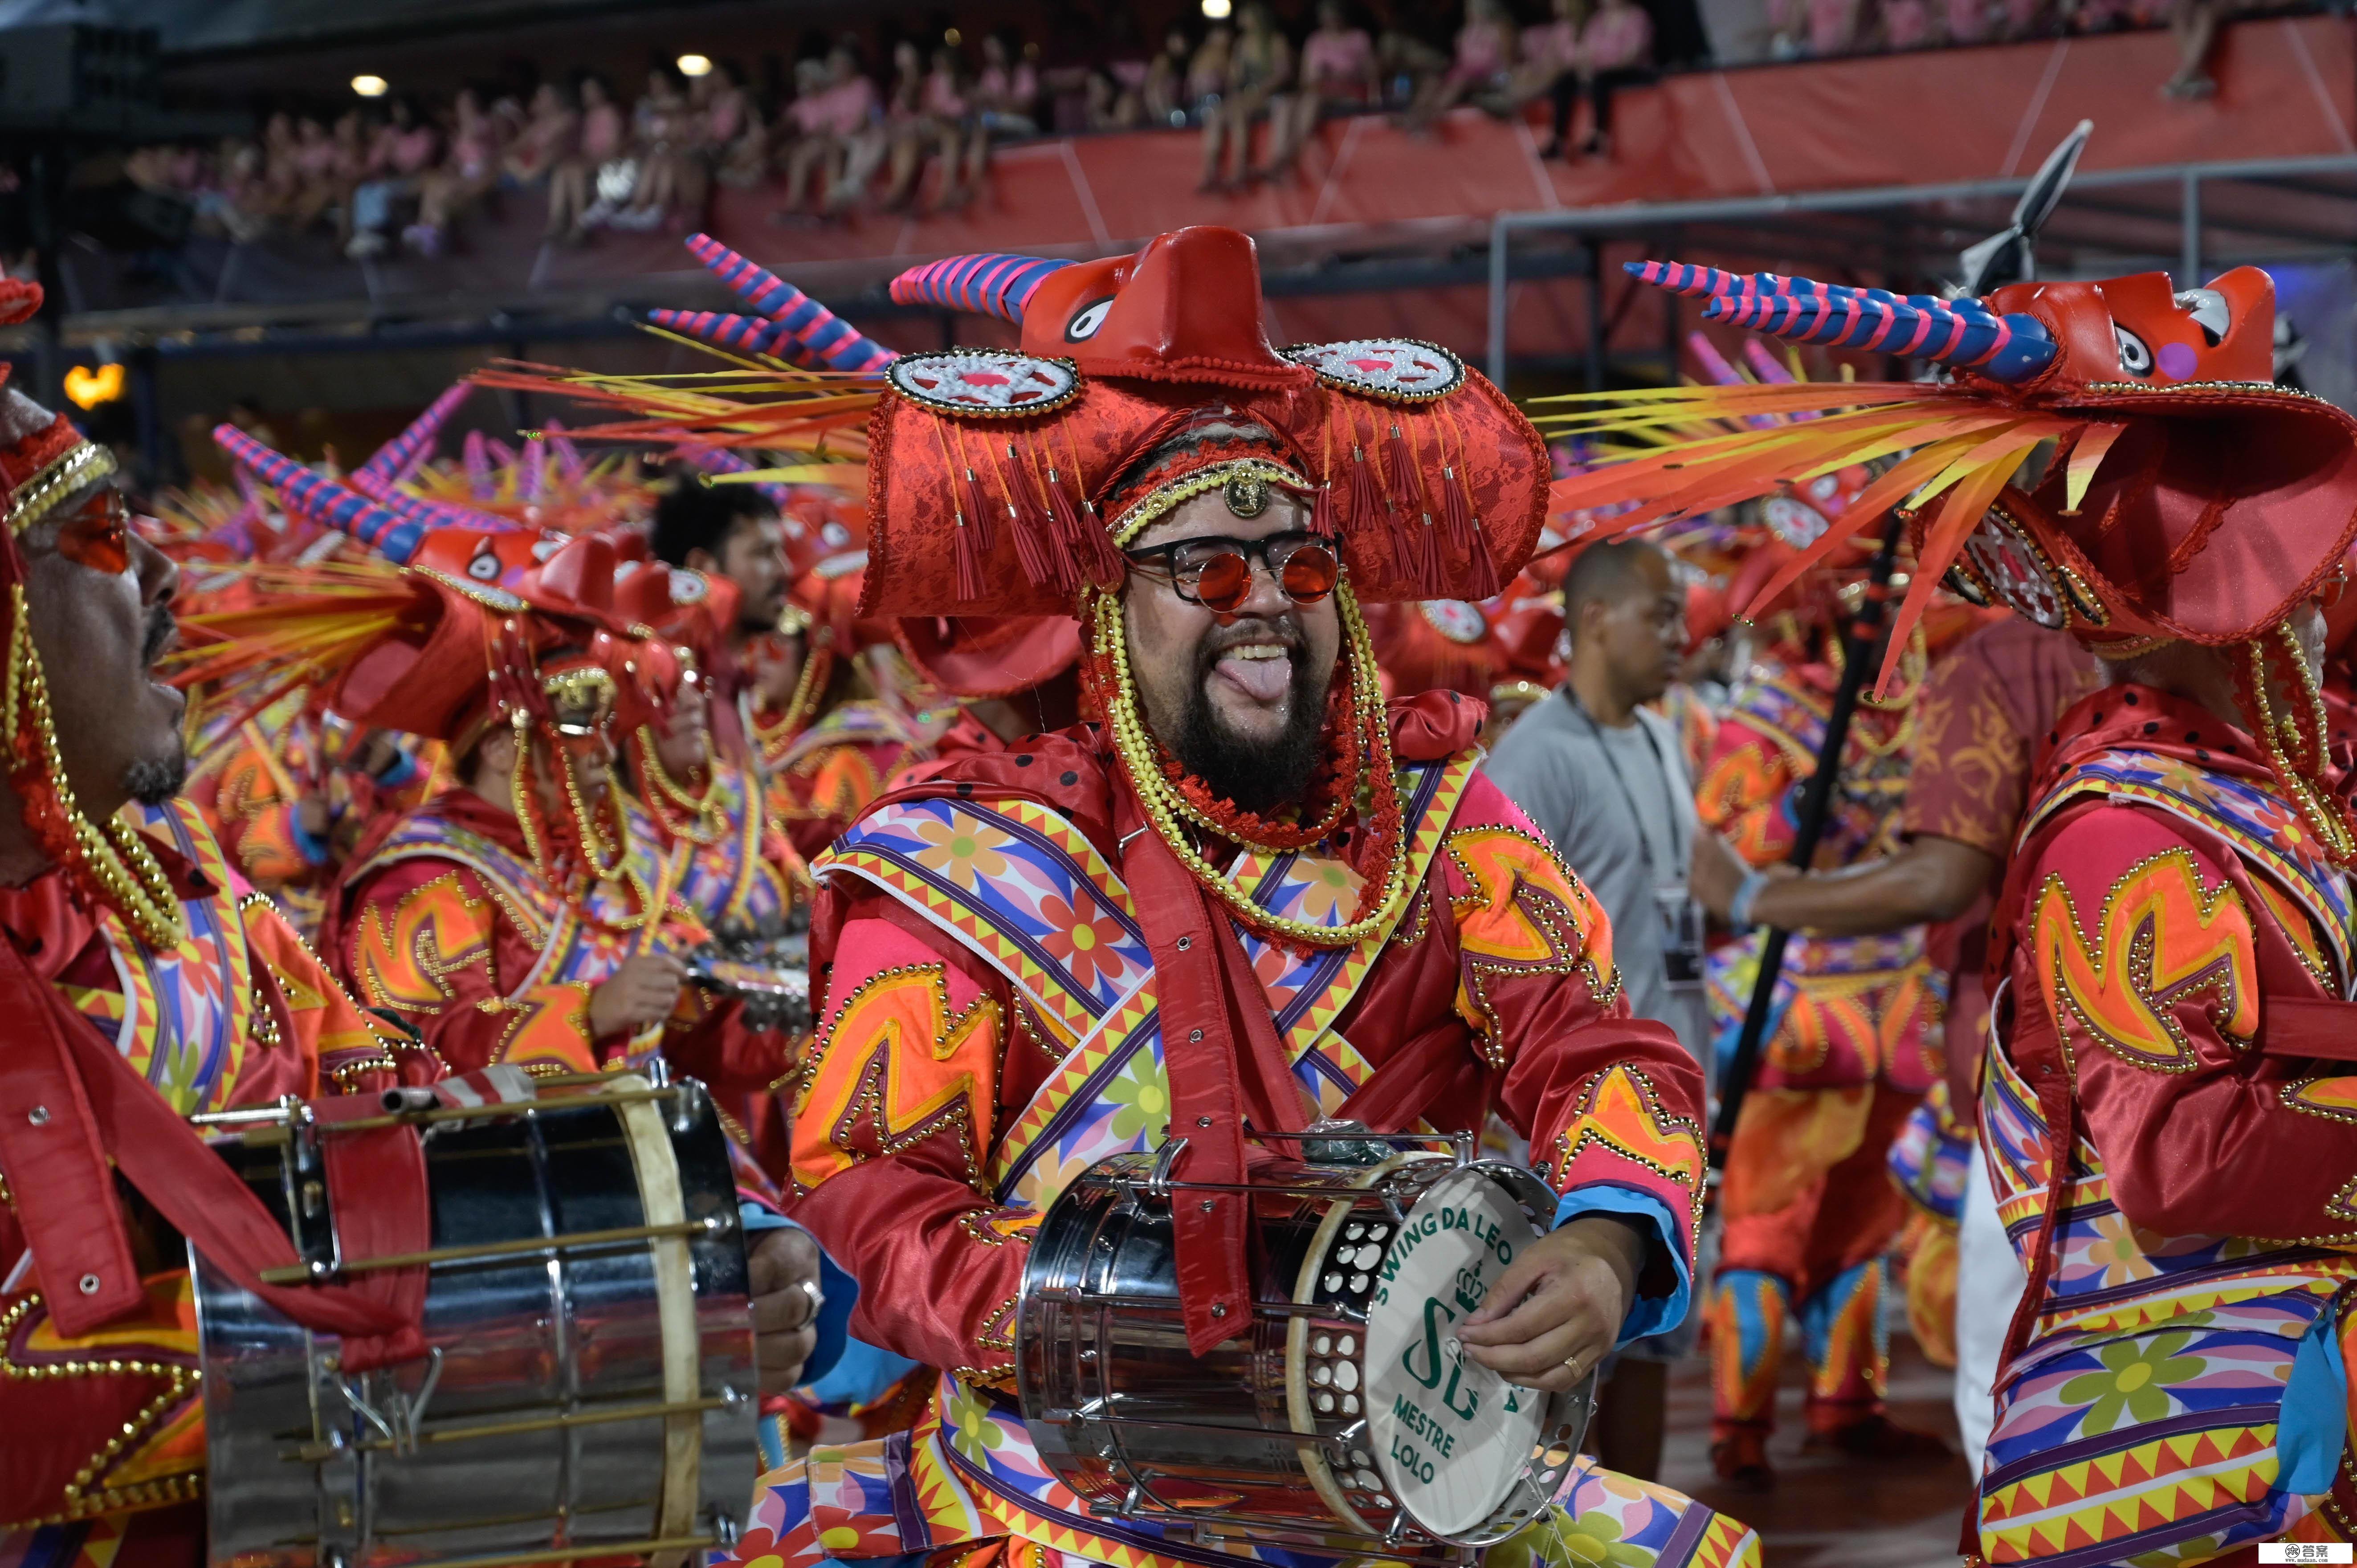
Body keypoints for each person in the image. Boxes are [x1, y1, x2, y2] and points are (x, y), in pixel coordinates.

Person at [628, 224, 1762, 1568]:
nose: (1267, 601)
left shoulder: (1444, 820)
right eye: (1207, 568)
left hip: (1393, 1510)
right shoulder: (961, 863)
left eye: (1301, 561)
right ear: (1106, 600)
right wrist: (1145, 1333)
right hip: (1061, 1522)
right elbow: (881, 1197)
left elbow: (1605, 1054)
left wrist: (1602, 1242)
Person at [1585, 253, 2357, 1563]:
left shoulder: (2279, 774)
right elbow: (2177, 1164)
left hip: (1899, 1030)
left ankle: (1805, 1416)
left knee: (1836, 1254)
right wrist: (1763, 894)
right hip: (2197, 1383)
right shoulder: (2123, 828)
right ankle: (1761, 1440)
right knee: (1795, 1254)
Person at [1690, 614, 2098, 1478]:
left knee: (1861, 1227)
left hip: (1894, 1004)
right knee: (1769, 1229)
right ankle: (1745, 1418)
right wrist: (1804, 809)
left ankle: (1845, 1401)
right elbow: (1728, 844)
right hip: (1813, 1005)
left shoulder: (1932, 686)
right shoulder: (1789, 707)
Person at [1483, 537, 1709, 1483]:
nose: (1682, 636)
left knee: (1649, 1330)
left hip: (1667, 1095)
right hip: (1566, 1118)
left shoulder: (1662, 736)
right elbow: (1495, 935)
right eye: (1660, 614)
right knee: (1552, 1367)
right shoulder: (1533, 758)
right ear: (1592, 620)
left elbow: (1692, 880)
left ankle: (1640, 1520)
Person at [1268, 0, 1381, 179]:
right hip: (1320, 91)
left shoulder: (1359, 38)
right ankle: (1281, 159)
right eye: (1327, 17)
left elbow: (1371, 74)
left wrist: (1343, 78)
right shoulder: (1315, 41)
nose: (1331, 21)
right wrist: (1320, 80)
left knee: (1313, 101)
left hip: (1350, 92)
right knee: (1287, 104)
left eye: (1335, 16)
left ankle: (1288, 158)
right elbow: (1307, 79)